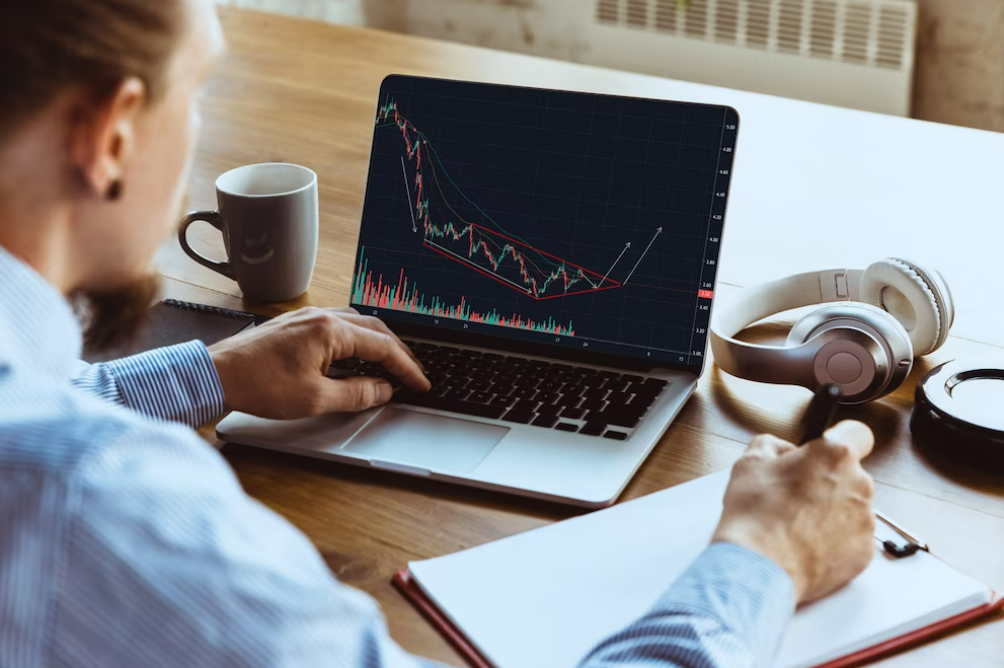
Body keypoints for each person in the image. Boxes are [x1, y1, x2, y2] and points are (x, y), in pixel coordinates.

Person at [0, 0, 877, 666]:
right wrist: (765, 556)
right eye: (197, 92)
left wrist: (210, 377)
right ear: (110, 135)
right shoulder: (108, 511)